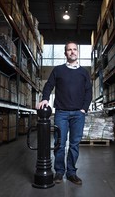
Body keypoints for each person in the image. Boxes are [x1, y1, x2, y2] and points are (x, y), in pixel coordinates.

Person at [37, 41, 92, 185]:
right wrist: (45, 99)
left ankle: (72, 173)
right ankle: (59, 172)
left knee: (74, 144)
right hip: (61, 112)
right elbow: (49, 85)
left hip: (78, 114)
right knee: (60, 144)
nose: (72, 52)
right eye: (69, 50)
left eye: (74, 49)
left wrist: (84, 109)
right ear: (65, 53)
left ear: (77, 52)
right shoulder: (58, 70)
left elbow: (88, 91)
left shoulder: (84, 73)